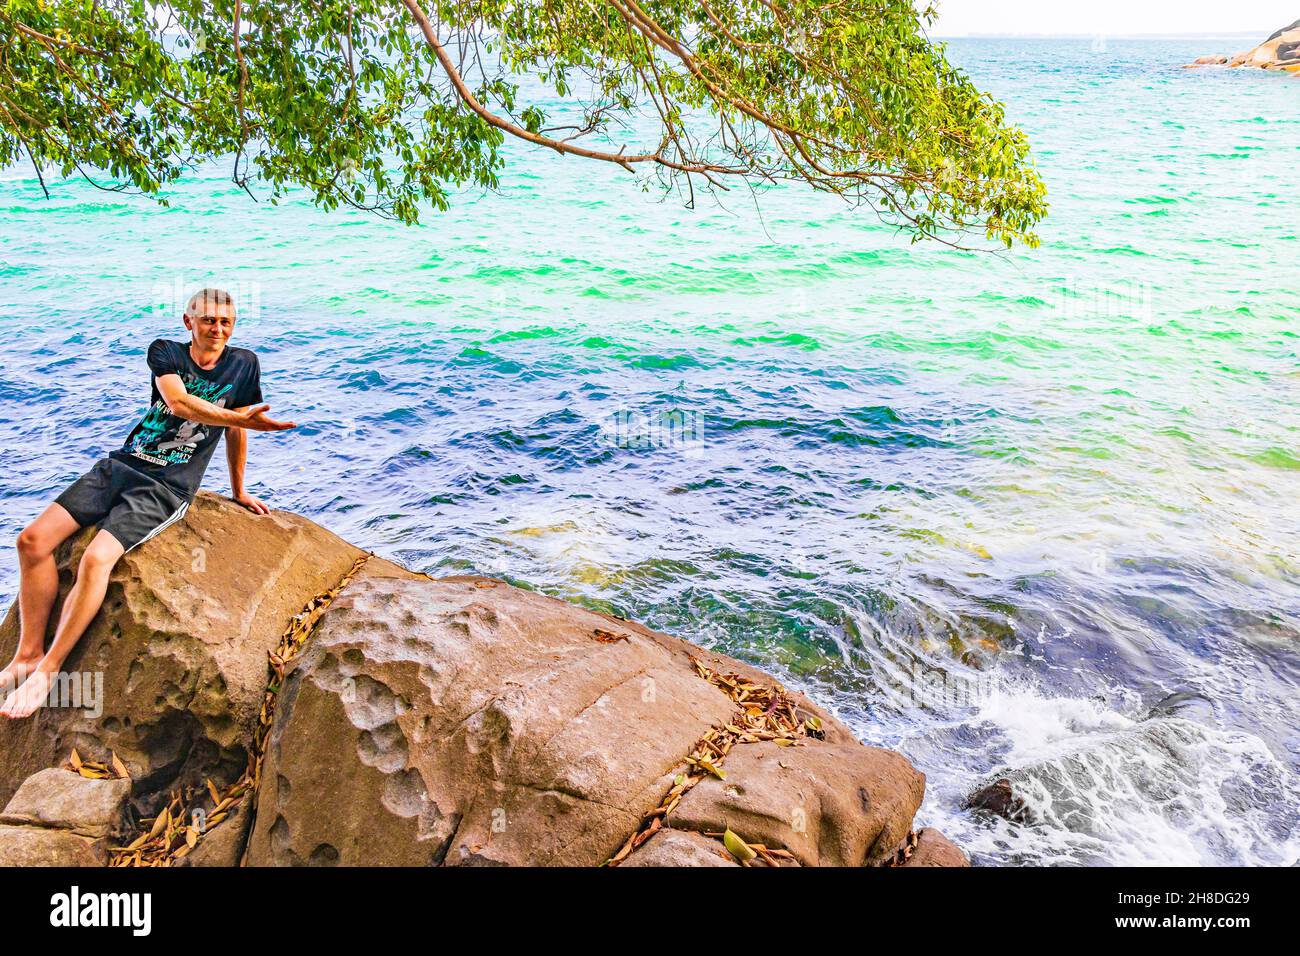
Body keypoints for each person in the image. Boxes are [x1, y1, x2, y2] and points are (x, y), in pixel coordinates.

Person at [0, 288, 296, 718]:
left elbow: (238, 430)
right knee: (31, 541)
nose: (217, 329)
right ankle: (26, 654)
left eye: (226, 322)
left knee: (95, 560)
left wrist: (239, 490)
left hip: (166, 486)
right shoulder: (165, 353)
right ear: (188, 321)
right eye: (209, 320)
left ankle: (49, 670)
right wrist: (238, 416)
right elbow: (179, 403)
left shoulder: (244, 363)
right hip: (123, 465)